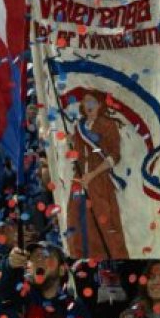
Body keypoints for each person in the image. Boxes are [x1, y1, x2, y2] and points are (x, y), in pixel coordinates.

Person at [67, 90, 130, 261]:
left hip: (99, 181)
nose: (88, 105)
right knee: (77, 223)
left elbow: (114, 156)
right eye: (85, 101)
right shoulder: (78, 127)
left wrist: (92, 175)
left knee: (105, 225)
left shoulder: (107, 125)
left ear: (100, 105)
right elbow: (77, 154)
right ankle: (81, 262)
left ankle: (113, 263)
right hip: (79, 181)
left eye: (92, 102)